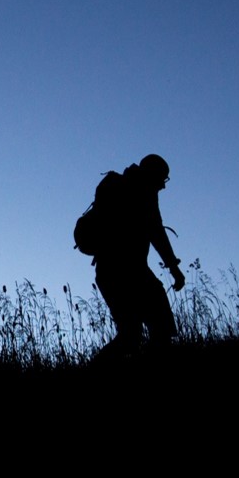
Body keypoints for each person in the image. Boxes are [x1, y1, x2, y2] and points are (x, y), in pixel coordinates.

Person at [92, 153, 186, 361]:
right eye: (162, 179)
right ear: (152, 175)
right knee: (141, 334)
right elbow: (157, 234)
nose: (163, 186)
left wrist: (173, 267)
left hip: (116, 272)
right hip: (123, 272)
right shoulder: (142, 193)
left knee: (134, 336)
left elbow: (156, 233)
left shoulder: (123, 186)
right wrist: (174, 268)